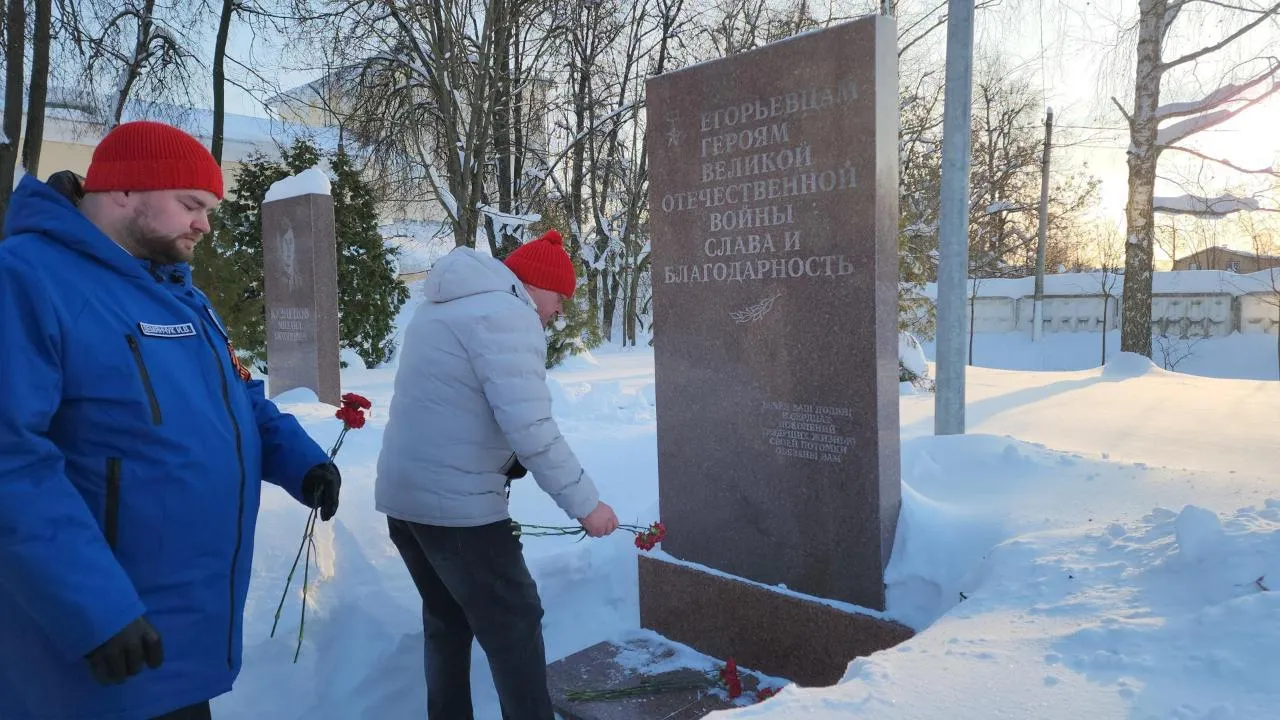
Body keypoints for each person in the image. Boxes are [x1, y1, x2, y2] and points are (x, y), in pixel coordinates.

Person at [0, 120, 343, 720]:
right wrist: (93, 607)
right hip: (94, 641)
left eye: (208, 209)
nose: (204, 224)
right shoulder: (26, 277)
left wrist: (298, 459)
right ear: (124, 190)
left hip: (181, 630)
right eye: (191, 204)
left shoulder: (179, 291)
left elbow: (234, 393)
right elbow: (12, 461)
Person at [375, 228, 619, 720]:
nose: (559, 312)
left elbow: (452, 406)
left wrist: (505, 460)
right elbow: (533, 428)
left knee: (447, 622)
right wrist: (587, 505)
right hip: (459, 510)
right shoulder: (507, 315)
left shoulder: (441, 307)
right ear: (536, 285)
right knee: (515, 625)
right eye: (560, 297)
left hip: (406, 503)